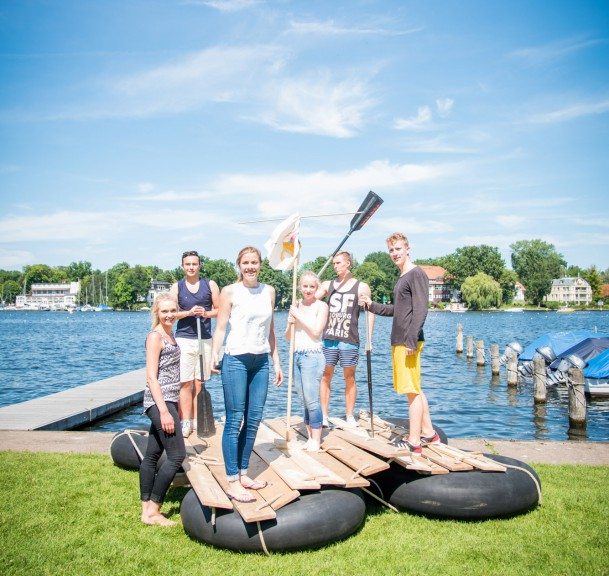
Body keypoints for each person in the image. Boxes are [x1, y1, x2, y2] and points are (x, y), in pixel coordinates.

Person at [211, 246, 284, 503]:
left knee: (253, 420)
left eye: (254, 262)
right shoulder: (230, 291)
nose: (250, 267)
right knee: (235, 420)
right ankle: (232, 481)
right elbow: (220, 328)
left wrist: (276, 361)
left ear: (260, 265)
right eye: (246, 263)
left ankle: (243, 473)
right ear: (239, 265)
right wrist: (213, 355)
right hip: (236, 360)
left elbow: (270, 329)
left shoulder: (269, 291)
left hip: (261, 360)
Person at [359, 232, 439, 454]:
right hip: (400, 340)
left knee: (411, 390)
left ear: (408, 248)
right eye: (391, 250)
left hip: (408, 342)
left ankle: (414, 441)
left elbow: (421, 309)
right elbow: (398, 311)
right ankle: (429, 433)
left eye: (398, 249)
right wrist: (371, 305)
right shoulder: (403, 276)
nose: (394, 253)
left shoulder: (416, 274)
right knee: (415, 388)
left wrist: (411, 339)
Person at [139, 293, 186, 526]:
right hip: (160, 401)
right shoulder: (156, 337)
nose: (169, 315)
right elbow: (151, 376)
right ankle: (155, 509)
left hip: (169, 399)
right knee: (177, 455)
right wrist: (165, 411)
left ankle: (146, 509)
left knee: (152, 455)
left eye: (172, 311)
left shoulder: (170, 333)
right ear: (156, 312)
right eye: (164, 311)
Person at [315, 251, 373, 427]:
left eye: (339, 263)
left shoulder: (361, 287)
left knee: (350, 377)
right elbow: (311, 300)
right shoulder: (327, 285)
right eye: (333, 264)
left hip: (349, 339)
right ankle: (324, 415)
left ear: (348, 263)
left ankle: (349, 415)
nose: (335, 266)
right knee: (326, 376)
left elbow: (370, 312)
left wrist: (369, 339)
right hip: (329, 338)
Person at [170, 250, 219, 437]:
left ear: (199, 265)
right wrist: (189, 312)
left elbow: (220, 309)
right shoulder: (177, 287)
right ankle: (186, 422)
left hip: (204, 338)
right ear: (183, 266)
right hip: (184, 338)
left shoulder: (210, 285)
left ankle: (200, 421)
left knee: (199, 383)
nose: (191, 267)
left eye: (194, 264)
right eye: (187, 264)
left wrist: (205, 313)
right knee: (185, 383)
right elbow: (171, 314)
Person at [285, 271, 329, 452]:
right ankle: (310, 435)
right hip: (298, 354)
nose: (308, 289)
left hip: (313, 356)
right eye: (305, 286)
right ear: (300, 287)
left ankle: (316, 439)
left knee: (312, 400)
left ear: (317, 288)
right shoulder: (296, 306)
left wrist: (299, 316)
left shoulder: (321, 306)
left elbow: (316, 332)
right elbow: (288, 337)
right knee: (303, 399)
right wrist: (290, 321)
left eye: (312, 286)